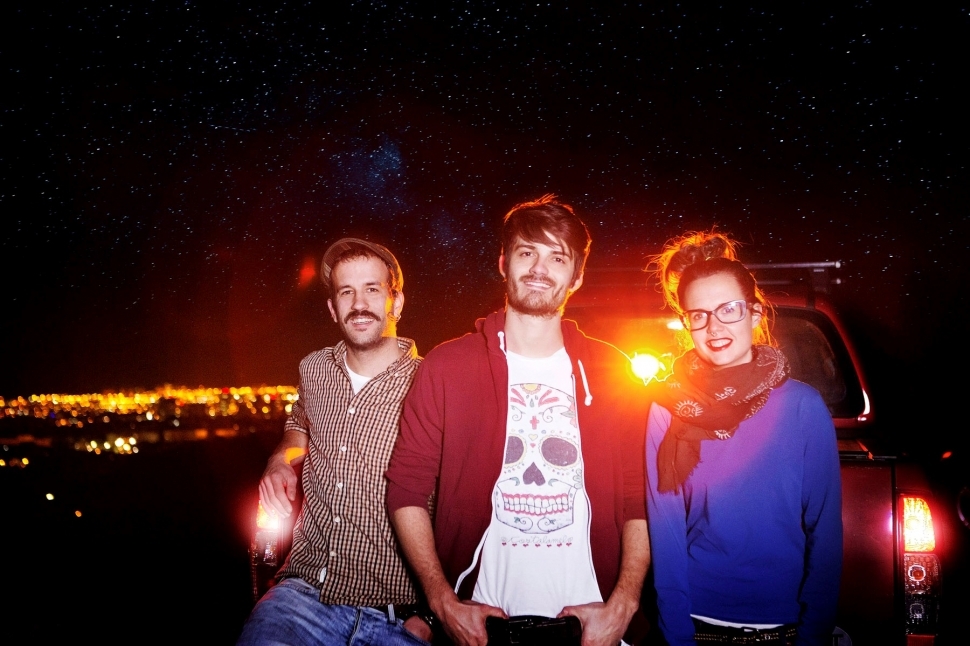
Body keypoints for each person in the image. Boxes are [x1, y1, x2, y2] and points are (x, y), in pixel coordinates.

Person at [385, 195, 652, 646]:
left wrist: (624, 605)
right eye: (527, 252)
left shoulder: (613, 371)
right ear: (504, 263)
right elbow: (406, 488)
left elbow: (636, 498)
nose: (539, 268)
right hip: (481, 628)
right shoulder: (448, 366)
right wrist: (442, 603)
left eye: (557, 257)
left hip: (592, 629)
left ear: (577, 276)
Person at [643, 231, 842, 646]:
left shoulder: (803, 408)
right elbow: (666, 532)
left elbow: (825, 532)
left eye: (728, 309)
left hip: (785, 628)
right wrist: (677, 636)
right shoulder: (667, 409)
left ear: (754, 313)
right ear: (686, 324)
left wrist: (813, 635)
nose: (714, 326)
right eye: (699, 315)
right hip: (696, 625)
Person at [237, 238, 432, 646]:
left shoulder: (431, 382)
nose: (358, 304)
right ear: (332, 308)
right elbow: (300, 422)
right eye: (346, 292)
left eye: (372, 289)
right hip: (302, 597)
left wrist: (432, 614)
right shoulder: (314, 369)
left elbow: (466, 501)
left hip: (399, 617)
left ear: (396, 302)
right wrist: (280, 458)